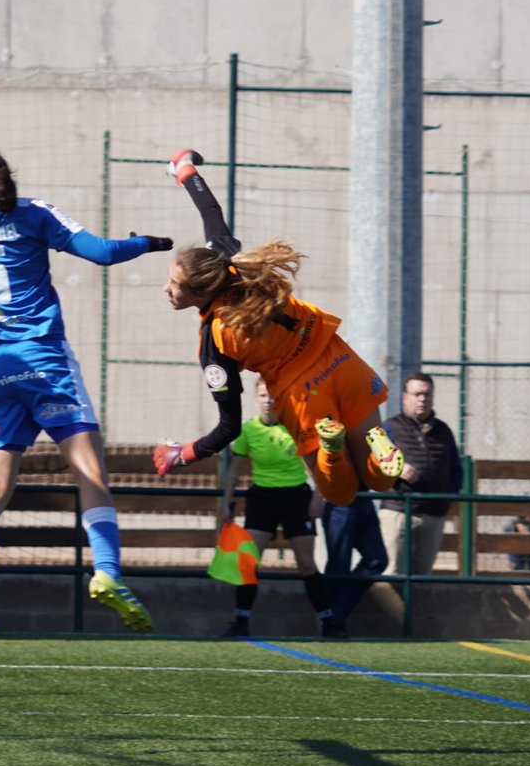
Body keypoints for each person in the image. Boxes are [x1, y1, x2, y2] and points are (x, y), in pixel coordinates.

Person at [0, 80, 172, 647]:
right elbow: (103, 252)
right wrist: (149, 242)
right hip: (47, 365)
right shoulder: (33, 216)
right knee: (90, 474)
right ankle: (107, 572)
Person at [151, 149, 406, 509]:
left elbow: (229, 428)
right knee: (383, 478)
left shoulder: (214, 341)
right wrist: (185, 169)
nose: (166, 289)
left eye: (175, 285)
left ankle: (332, 449)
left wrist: (183, 454)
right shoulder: (228, 262)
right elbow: (210, 211)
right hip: (341, 361)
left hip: (303, 394)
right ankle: (380, 440)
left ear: (202, 292)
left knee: (340, 493)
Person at [220, 378, 345, 638]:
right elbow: (233, 472)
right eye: (263, 396)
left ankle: (328, 622)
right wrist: (226, 504)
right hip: (261, 499)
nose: (268, 401)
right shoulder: (248, 430)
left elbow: (317, 464)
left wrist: (318, 497)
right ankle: (240, 621)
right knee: (248, 561)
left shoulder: (296, 426)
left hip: (296, 498)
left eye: (272, 396)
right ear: (256, 398)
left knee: (306, 563)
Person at [379, 373, 463, 578]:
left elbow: (456, 470)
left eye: (427, 394)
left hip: (433, 515)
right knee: (393, 574)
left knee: (423, 577)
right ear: (405, 397)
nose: (422, 399)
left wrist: (446, 497)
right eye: (417, 394)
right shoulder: (389, 427)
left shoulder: (443, 430)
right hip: (398, 512)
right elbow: (371, 463)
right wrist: (397, 469)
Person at [322, 496, 388, 623]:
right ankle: (331, 621)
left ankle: (334, 617)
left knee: (377, 561)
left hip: (364, 500)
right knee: (339, 567)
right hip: (339, 501)